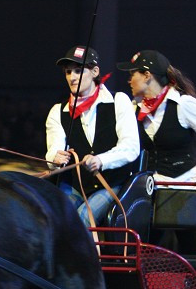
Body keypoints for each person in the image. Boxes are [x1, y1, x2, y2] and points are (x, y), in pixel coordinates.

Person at [45, 45, 141, 226]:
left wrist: (101, 160)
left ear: (95, 71)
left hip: (112, 183)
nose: (72, 77)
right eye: (68, 72)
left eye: (78, 71)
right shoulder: (57, 112)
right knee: (54, 220)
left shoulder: (118, 101)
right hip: (74, 186)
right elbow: (53, 152)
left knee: (81, 219)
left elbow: (131, 147)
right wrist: (55, 158)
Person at [118, 50, 196, 191]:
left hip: (186, 185)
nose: (129, 81)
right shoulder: (135, 108)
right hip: (153, 186)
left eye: (132, 74)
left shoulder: (182, 104)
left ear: (147, 76)